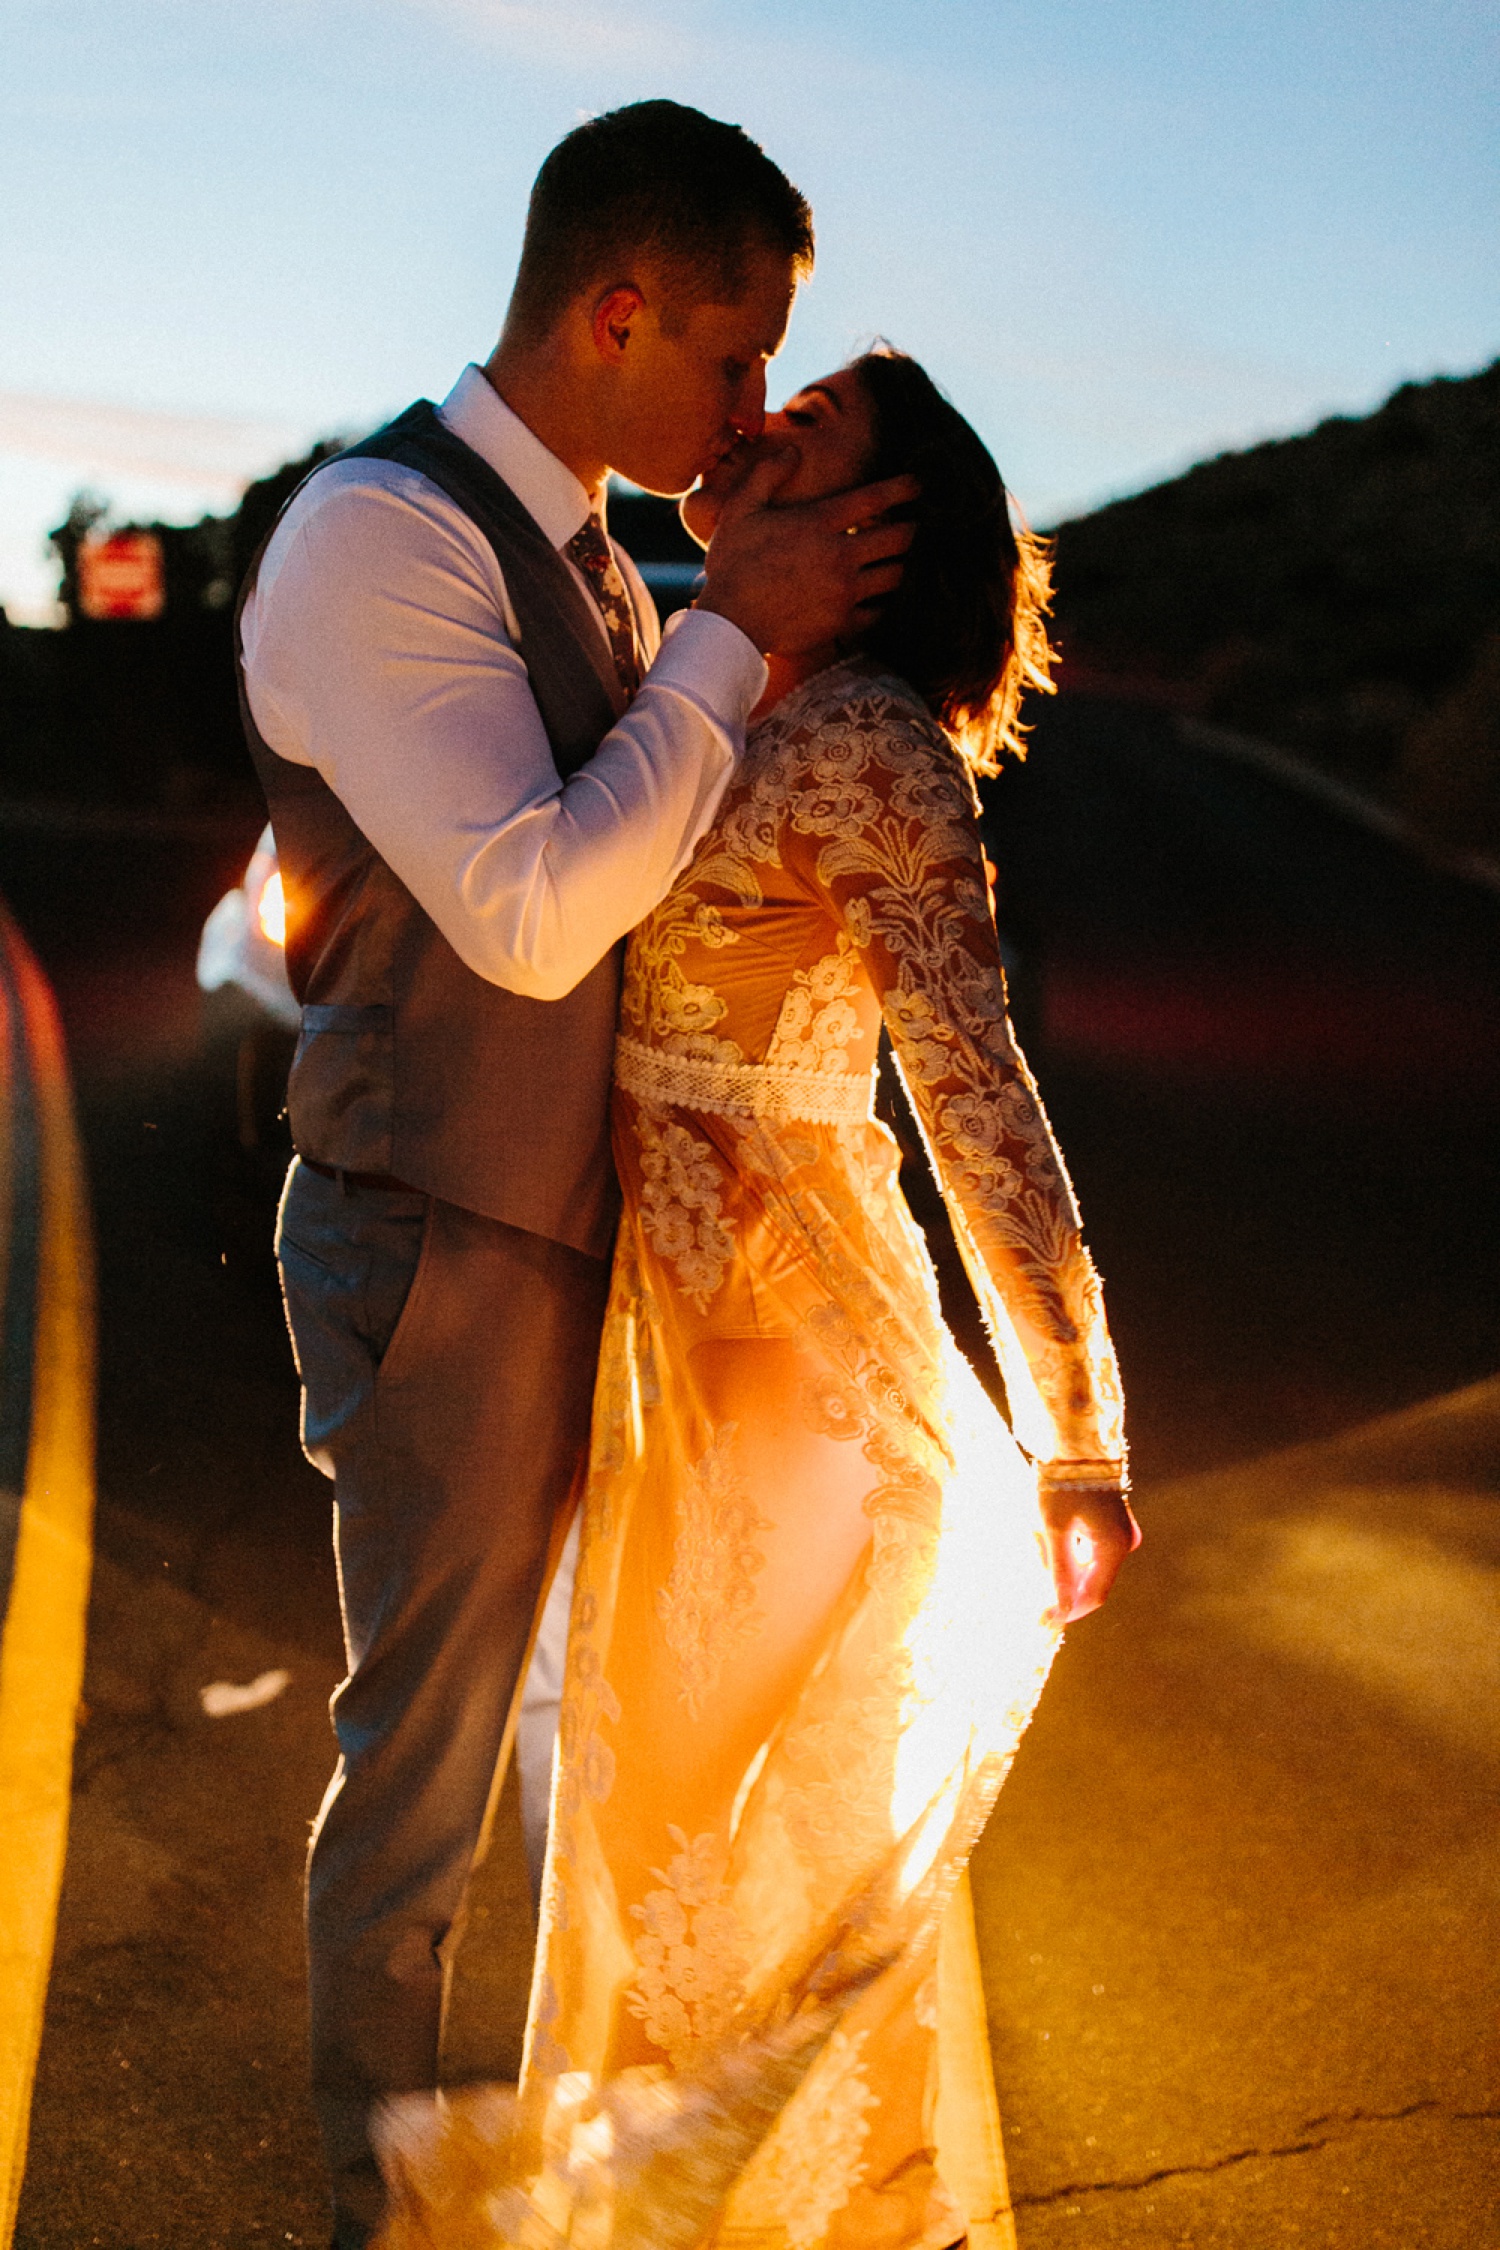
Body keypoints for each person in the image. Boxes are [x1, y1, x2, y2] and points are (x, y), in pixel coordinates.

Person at [237, 102, 919, 2249]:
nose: (743, 406)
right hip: (439, 1241)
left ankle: (534, 2185)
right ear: (617, 310)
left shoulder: (612, 563)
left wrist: (725, 605)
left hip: (577, 1255)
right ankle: (385, 2203)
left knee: (600, 1773)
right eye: (732, 360)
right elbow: (536, 908)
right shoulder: (382, 535)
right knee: (429, 1775)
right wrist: (738, 630)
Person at [376, 349, 1139, 2249]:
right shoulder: (694, 692)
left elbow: (974, 1096)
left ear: (876, 534)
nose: (759, 425)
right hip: (677, 1385)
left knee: (717, 1911)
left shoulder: (870, 742)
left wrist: (1078, 1428)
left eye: (811, 435)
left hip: (798, 1397)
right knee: (657, 1891)